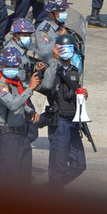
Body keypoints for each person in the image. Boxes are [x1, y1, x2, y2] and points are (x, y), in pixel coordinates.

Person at [39, 33, 87, 191]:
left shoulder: (74, 71)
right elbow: (46, 85)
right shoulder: (52, 68)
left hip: (73, 122)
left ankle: (52, 188)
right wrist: (53, 60)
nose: (66, 51)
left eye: (69, 48)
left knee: (79, 164)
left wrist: (82, 95)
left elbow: (71, 94)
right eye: (62, 48)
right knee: (57, 166)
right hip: (59, 123)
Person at [0, 47, 41, 182]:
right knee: (10, 178)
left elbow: (21, 104)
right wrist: (30, 88)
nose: (12, 68)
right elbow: (13, 104)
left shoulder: (15, 82)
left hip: (21, 133)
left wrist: (31, 111)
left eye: (15, 66)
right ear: (1, 65)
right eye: (9, 66)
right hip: (9, 134)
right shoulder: (0, 85)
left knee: (25, 176)